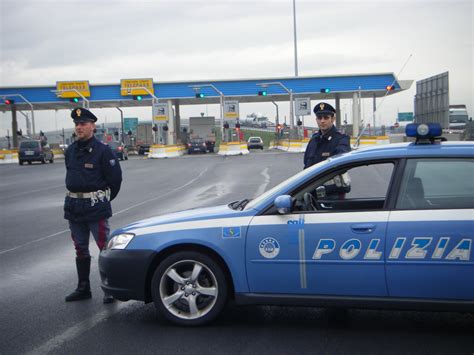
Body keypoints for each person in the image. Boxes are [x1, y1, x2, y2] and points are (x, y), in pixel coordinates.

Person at [64, 107, 122, 304]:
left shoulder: (103, 151)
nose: (79, 127)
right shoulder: (71, 151)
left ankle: (110, 289)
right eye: (77, 124)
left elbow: (115, 181)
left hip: (95, 208)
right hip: (74, 207)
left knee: (104, 248)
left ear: (92, 126)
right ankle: (83, 288)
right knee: (80, 248)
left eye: (83, 124)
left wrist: (101, 199)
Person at [303, 102, 351, 169]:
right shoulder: (313, 140)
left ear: (332, 119)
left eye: (326, 118)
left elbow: (340, 165)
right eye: (319, 118)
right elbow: (306, 166)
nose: (322, 121)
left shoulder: (341, 140)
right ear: (316, 120)